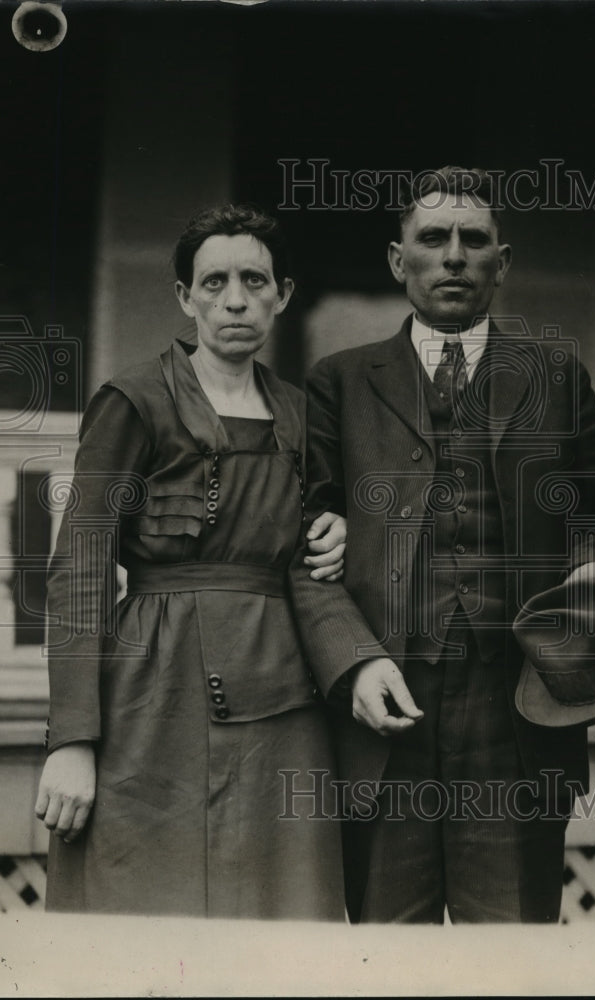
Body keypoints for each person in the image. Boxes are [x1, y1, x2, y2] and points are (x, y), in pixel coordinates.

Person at [290, 166, 595, 923]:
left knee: (511, 958)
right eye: (433, 238)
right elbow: (304, 553)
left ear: (501, 263)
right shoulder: (340, 383)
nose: (453, 255)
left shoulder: (555, 375)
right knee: (386, 955)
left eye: (473, 239)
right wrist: (354, 662)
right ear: (397, 258)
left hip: (519, 707)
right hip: (386, 707)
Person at [35, 203, 348, 919]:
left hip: (282, 692)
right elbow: (80, 566)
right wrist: (73, 739)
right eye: (213, 283)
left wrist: (345, 529)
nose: (234, 299)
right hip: (154, 685)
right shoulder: (134, 401)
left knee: (281, 904)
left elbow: (321, 537)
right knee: (142, 894)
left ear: (283, 294)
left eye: (253, 280)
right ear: (185, 298)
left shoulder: (302, 416)